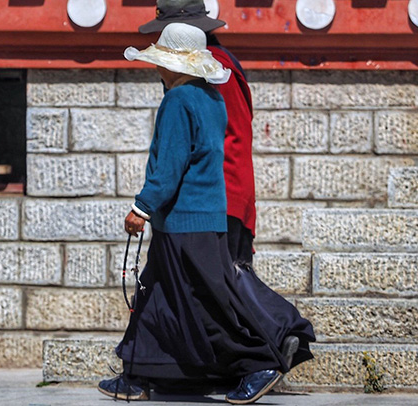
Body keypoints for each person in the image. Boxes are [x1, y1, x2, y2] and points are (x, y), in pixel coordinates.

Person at [98, 23, 314, 404]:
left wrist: (141, 208)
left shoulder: (178, 102)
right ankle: (140, 373)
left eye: (162, 62)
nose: (158, 68)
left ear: (178, 66)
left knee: (204, 301)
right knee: (155, 295)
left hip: (185, 222)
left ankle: (258, 362)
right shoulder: (212, 99)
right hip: (204, 218)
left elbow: (171, 167)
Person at [138, 0, 257, 266]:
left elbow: (207, 141)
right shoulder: (216, 63)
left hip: (212, 199)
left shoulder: (206, 70)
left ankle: (283, 314)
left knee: (224, 298)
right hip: (222, 196)